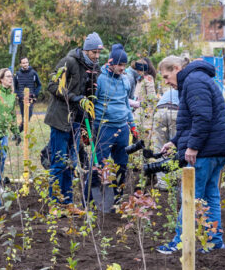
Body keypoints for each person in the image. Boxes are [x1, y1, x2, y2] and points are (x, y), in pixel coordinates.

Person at [156, 56, 225, 254]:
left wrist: (192, 147)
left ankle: (180, 242)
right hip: (216, 148)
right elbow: (191, 120)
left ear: (176, 68)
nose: (166, 81)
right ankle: (214, 242)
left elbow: (202, 117)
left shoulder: (193, 81)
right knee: (210, 196)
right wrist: (174, 142)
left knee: (190, 196)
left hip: (207, 150)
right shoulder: (195, 79)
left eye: (166, 76)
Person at [44, 32, 103, 203]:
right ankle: (54, 203)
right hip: (61, 119)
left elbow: (90, 95)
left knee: (71, 163)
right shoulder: (69, 62)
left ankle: (67, 202)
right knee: (58, 163)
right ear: (86, 50)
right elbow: (52, 85)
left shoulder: (94, 68)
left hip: (77, 121)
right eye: (94, 52)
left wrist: (88, 124)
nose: (97, 56)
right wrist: (74, 98)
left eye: (99, 53)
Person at [93, 44, 136, 200]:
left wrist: (132, 126)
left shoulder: (125, 80)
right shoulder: (100, 79)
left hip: (122, 127)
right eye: (119, 64)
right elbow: (92, 102)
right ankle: (96, 197)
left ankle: (118, 196)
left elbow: (126, 103)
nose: (122, 68)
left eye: (124, 65)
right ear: (111, 63)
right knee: (100, 163)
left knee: (122, 164)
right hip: (104, 127)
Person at [153, 57, 185, 153]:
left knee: (159, 147)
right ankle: (174, 166)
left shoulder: (173, 88)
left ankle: (158, 165)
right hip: (175, 110)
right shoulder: (179, 86)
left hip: (159, 112)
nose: (166, 82)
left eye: (166, 77)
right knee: (174, 147)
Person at [12, 56, 42, 132]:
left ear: (28, 63)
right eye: (23, 63)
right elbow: (14, 86)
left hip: (30, 98)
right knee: (23, 117)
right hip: (22, 99)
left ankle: (18, 132)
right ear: (20, 64)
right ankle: (18, 134)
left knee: (28, 116)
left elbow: (39, 85)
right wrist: (18, 95)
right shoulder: (17, 74)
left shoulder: (34, 73)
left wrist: (35, 94)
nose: (25, 64)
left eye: (26, 62)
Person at [132, 58, 158, 134]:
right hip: (137, 110)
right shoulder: (139, 79)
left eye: (138, 70)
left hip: (145, 112)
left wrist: (148, 113)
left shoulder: (148, 78)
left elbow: (152, 96)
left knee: (144, 134)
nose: (137, 71)